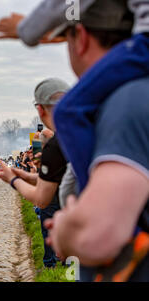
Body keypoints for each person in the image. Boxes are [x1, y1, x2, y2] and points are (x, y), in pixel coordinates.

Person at [37, 2, 149, 281]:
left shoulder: (125, 104)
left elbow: (97, 235)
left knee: (67, 112)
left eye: (67, 38)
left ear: (81, 38)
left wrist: (67, 229)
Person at [0, 78, 70, 268]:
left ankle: (53, 265)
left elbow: (41, 199)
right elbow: (58, 175)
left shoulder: (54, 146)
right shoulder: (79, 131)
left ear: (40, 110)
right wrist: (26, 176)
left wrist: (12, 180)